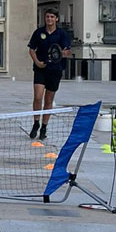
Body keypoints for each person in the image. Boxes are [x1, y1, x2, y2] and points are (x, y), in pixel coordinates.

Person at [27, 8, 71, 140]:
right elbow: (31, 50)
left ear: (56, 19)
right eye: (47, 17)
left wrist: (61, 53)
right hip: (41, 68)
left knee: (49, 100)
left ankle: (44, 127)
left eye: (52, 17)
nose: (49, 19)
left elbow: (67, 51)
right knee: (38, 96)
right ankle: (36, 123)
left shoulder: (62, 34)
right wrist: (37, 62)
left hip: (55, 70)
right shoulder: (39, 32)